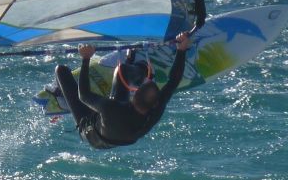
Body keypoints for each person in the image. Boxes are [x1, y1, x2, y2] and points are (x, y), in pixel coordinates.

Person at [54, 30, 192, 149]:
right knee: (122, 70)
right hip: (120, 128)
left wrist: (86, 58)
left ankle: (62, 99)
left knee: (61, 70)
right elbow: (173, 81)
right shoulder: (155, 109)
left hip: (93, 133)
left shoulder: (113, 107)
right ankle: (138, 67)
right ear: (155, 103)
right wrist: (182, 50)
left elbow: (83, 96)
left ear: (133, 95)